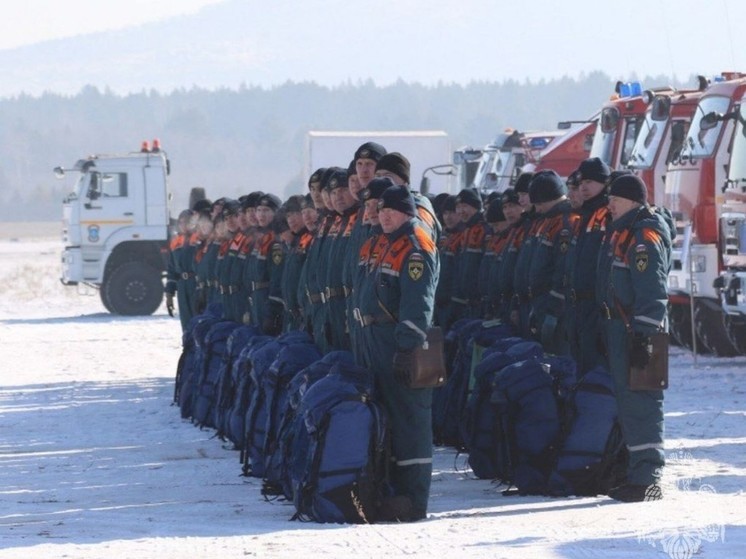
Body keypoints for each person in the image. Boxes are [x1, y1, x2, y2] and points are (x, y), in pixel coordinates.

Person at [354, 184, 439, 522]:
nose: (383, 215)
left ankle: (413, 500)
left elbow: (419, 305)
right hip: (376, 343)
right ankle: (392, 493)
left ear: (408, 212)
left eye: (391, 210)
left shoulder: (416, 247)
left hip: (402, 347)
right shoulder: (383, 242)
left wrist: (408, 348)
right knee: (389, 418)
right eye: (380, 209)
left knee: (410, 423)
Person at [597, 174, 672, 502]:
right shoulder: (623, 232)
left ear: (633, 200)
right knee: (630, 402)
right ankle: (636, 472)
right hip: (622, 330)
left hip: (639, 332)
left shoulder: (644, 236)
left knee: (642, 403)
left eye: (615, 198)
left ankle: (648, 479)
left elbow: (653, 292)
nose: (609, 203)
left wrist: (644, 337)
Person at [524, 170, 579, 354]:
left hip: (554, 307)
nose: (537, 209)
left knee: (557, 360)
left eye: (539, 204)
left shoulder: (565, 224)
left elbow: (562, 269)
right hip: (541, 304)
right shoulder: (549, 221)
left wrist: (553, 310)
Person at [565, 157, 612, 373]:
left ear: (605, 183)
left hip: (596, 305)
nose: (583, 187)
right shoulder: (585, 215)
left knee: (597, 372)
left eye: (590, 182)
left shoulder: (608, 214)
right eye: (581, 183)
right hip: (578, 306)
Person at [451, 188, 489, 322]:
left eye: (465, 206)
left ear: (476, 207)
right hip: (466, 301)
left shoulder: (485, 230)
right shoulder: (466, 230)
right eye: (458, 207)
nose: (461, 211)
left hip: (480, 301)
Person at [165, 209, 195, 331]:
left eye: (187, 222)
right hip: (182, 285)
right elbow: (172, 269)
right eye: (181, 222)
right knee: (186, 323)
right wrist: (169, 293)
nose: (184, 225)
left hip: (195, 284)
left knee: (198, 321)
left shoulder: (199, 240)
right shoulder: (176, 242)